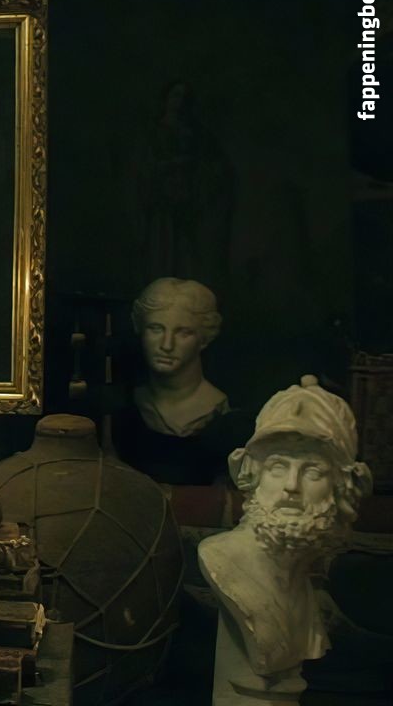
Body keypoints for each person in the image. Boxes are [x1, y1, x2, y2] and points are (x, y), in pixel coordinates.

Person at [199, 375, 372, 703]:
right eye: (278, 467)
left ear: (340, 488)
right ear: (254, 476)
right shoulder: (222, 559)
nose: (291, 485)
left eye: (313, 471)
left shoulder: (303, 582)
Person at [114, 277, 251, 485]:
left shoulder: (218, 409)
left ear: (204, 338)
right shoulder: (130, 403)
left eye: (183, 332)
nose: (166, 345)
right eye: (156, 329)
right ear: (139, 329)